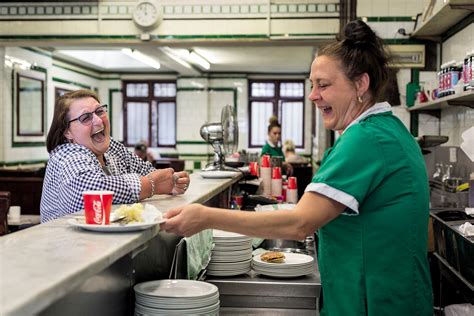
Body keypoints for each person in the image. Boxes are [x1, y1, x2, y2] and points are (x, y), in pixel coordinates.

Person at [161, 20, 432, 316]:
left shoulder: (365, 139)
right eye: (311, 85)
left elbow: (300, 223)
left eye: (324, 85)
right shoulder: (389, 129)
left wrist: (205, 217)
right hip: (394, 295)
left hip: (374, 302)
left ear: (360, 85)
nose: (312, 95)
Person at [40, 90, 190, 223]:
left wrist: (172, 181)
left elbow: (145, 170)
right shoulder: (67, 154)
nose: (98, 120)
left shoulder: (111, 146)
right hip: (67, 246)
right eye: (86, 118)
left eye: (99, 111)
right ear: (67, 132)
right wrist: (151, 185)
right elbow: (91, 190)